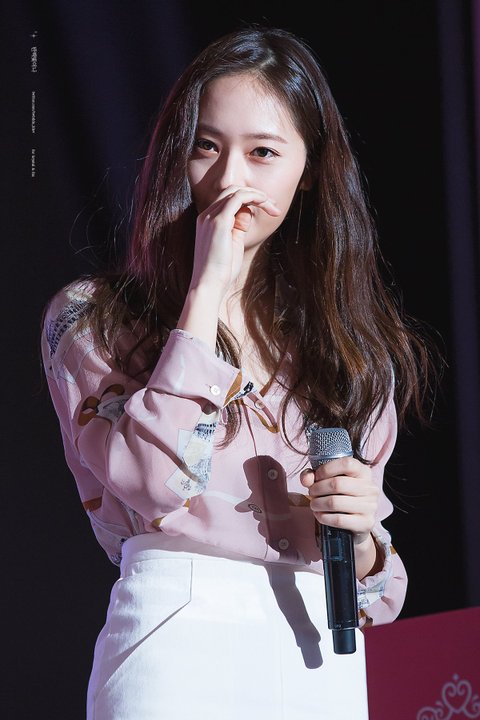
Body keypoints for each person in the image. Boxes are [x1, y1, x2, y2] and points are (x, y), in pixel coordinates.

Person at [41, 25, 440, 720]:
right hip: (175, 633)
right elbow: (150, 482)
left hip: (320, 649)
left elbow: (379, 586)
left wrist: (362, 543)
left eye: (262, 153)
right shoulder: (95, 319)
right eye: (206, 146)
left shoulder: (351, 347)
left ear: (308, 169)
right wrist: (206, 292)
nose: (230, 180)